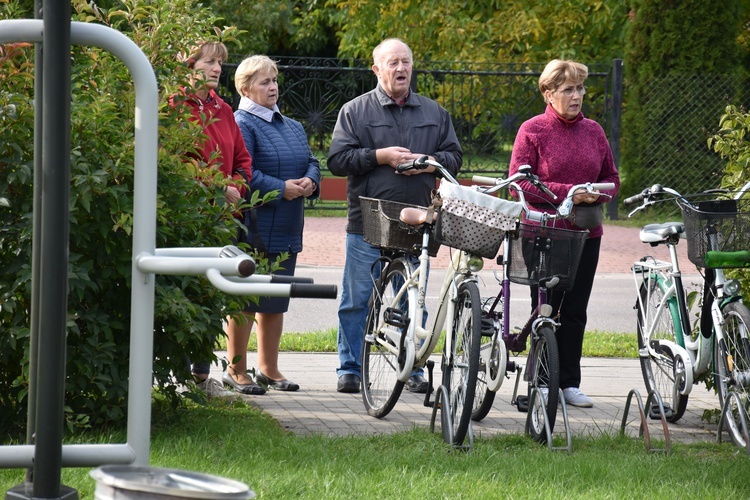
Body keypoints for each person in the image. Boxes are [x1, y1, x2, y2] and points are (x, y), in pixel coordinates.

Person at [328, 38, 463, 393]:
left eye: (405, 61)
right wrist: (380, 156)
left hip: (417, 221)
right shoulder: (355, 111)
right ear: (377, 69)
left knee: (411, 298)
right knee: (357, 299)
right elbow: (338, 160)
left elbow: (454, 157)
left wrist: (428, 164)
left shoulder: (435, 113)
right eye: (392, 63)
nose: (400, 68)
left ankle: (412, 367)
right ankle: (350, 368)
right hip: (368, 221)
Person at [508, 59, 620, 408]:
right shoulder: (533, 129)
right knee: (546, 309)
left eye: (580, 89)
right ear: (548, 92)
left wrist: (597, 193)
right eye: (568, 90)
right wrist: (570, 191)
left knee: (575, 310)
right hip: (544, 232)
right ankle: (541, 382)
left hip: (587, 233)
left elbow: (612, 179)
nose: (577, 96)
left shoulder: (595, 131)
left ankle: (569, 383)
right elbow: (519, 183)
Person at [174, 41, 265, 397]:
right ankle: (179, 377)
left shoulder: (223, 109)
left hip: (225, 218)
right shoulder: (174, 106)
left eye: (220, 64)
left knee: (212, 296)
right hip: (189, 216)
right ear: (189, 63)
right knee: (185, 294)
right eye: (210, 62)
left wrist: (235, 187)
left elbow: (243, 160)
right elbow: (174, 160)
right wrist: (214, 188)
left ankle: (199, 377)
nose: (217, 69)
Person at [231, 55, 321, 392]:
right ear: (245, 88)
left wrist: (311, 180)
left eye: (274, 81)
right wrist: (279, 188)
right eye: (265, 82)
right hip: (255, 224)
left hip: (287, 224)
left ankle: (269, 369)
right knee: (245, 299)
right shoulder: (243, 123)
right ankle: (237, 370)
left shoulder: (292, 125)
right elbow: (244, 171)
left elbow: (311, 160)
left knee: (275, 298)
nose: (273, 87)